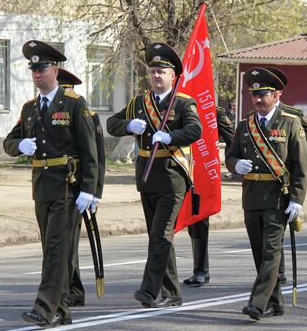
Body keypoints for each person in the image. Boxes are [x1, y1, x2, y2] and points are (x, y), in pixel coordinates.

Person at [3, 40, 99, 326]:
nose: (36, 74)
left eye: (42, 69)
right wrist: (21, 145)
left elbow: (90, 150)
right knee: (52, 249)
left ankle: (45, 307)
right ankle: (62, 310)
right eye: (33, 69)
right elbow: (8, 142)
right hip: (41, 187)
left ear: (55, 70)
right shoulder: (30, 108)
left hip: (67, 189)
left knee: (56, 249)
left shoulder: (73, 104)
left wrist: (90, 189)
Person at [106, 42, 202, 308]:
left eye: (161, 71)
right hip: (146, 176)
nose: (156, 76)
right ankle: (172, 293)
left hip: (172, 177)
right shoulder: (139, 103)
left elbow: (196, 131)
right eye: (152, 72)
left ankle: (149, 290)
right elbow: (111, 124)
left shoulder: (183, 103)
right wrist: (128, 125)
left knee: (161, 235)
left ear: (173, 76)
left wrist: (171, 136)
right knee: (159, 236)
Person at [225, 67, 307, 320]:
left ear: (277, 94)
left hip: (276, 199)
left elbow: (300, 165)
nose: (258, 100)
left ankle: (258, 303)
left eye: (264, 94)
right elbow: (231, 154)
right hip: (251, 197)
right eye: (254, 95)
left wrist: (297, 199)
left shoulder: (290, 123)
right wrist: (234, 164)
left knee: (271, 252)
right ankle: (276, 303)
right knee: (260, 254)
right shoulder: (245, 124)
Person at [267, 66, 307, 285]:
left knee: (277, 228)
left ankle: (279, 272)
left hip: (286, 179)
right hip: (261, 184)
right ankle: (275, 271)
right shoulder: (253, 116)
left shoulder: (292, 115)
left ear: (278, 93)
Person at [56, 68, 106, 307]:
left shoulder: (88, 114)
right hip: (56, 186)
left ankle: (69, 290)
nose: (64, 94)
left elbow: (96, 157)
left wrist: (95, 193)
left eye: (67, 89)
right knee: (65, 243)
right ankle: (72, 288)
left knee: (68, 241)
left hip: (78, 188)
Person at [183, 105, 234, 287]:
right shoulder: (175, 104)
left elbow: (233, 140)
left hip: (202, 173)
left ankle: (201, 270)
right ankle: (163, 273)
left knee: (199, 221)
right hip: (176, 171)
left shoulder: (214, 111)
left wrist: (233, 164)